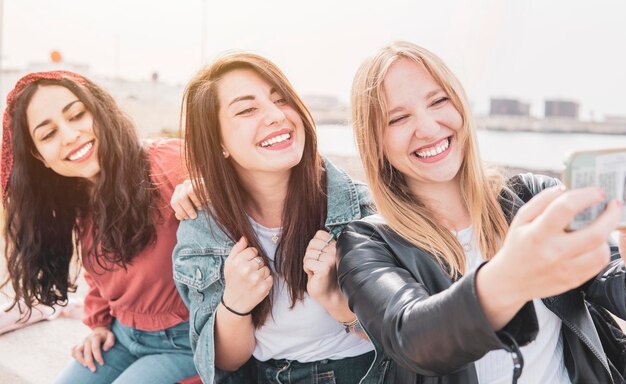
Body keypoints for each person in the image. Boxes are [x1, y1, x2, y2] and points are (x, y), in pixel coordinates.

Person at [337, 41, 626, 384]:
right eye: (398, 118)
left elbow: (609, 282)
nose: (428, 128)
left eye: (438, 101)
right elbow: (413, 340)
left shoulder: (532, 197)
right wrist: (511, 274)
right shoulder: (367, 244)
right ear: (375, 143)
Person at [171, 52, 384, 383]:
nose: (276, 116)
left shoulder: (365, 212)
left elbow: (409, 342)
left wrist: (340, 304)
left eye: (281, 100)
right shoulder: (204, 227)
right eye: (247, 109)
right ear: (218, 143)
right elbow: (224, 362)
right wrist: (236, 303)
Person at [1, 71, 198, 383]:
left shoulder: (169, 161)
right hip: (121, 337)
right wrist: (99, 325)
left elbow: (243, 193)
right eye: (48, 134)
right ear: (40, 157)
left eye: (77, 115)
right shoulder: (76, 200)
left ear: (99, 110)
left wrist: (203, 189)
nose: (69, 135)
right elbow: (99, 276)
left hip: (186, 342)